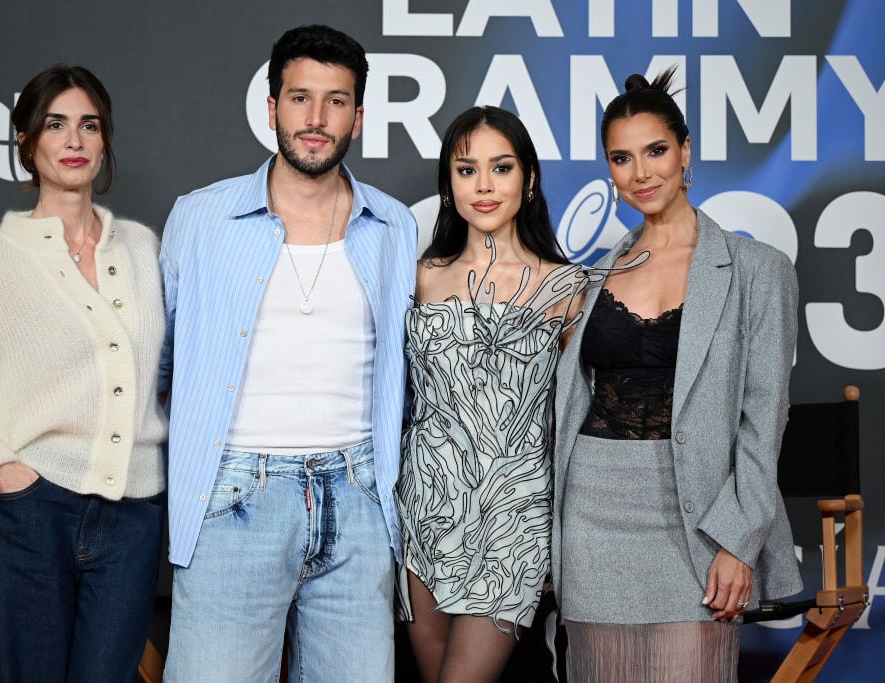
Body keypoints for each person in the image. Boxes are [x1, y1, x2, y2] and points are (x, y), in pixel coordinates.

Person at [158, 24, 417, 682]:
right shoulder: (201, 218)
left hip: (358, 501)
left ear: (358, 117)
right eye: (300, 98)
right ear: (271, 108)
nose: (316, 118)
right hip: (234, 495)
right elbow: (155, 366)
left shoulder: (394, 225)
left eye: (336, 101)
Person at [552, 67, 802, 681]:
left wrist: (737, 540)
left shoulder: (758, 271)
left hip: (699, 523)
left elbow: (763, 416)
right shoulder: (588, 279)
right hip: (592, 520)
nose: (641, 173)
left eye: (656, 151)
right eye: (621, 158)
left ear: (685, 152)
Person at [0, 65, 167, 681]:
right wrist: (9, 476)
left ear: (106, 139)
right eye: (55, 125)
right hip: (33, 510)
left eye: (89, 125)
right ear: (29, 144)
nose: (75, 141)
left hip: (133, 516)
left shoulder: (143, 250)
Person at [395, 105, 589, 682]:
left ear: (528, 180)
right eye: (465, 169)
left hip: (515, 516)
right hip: (425, 511)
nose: (483, 185)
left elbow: (580, 422)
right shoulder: (420, 275)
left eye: (501, 168)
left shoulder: (568, 288)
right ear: (448, 184)